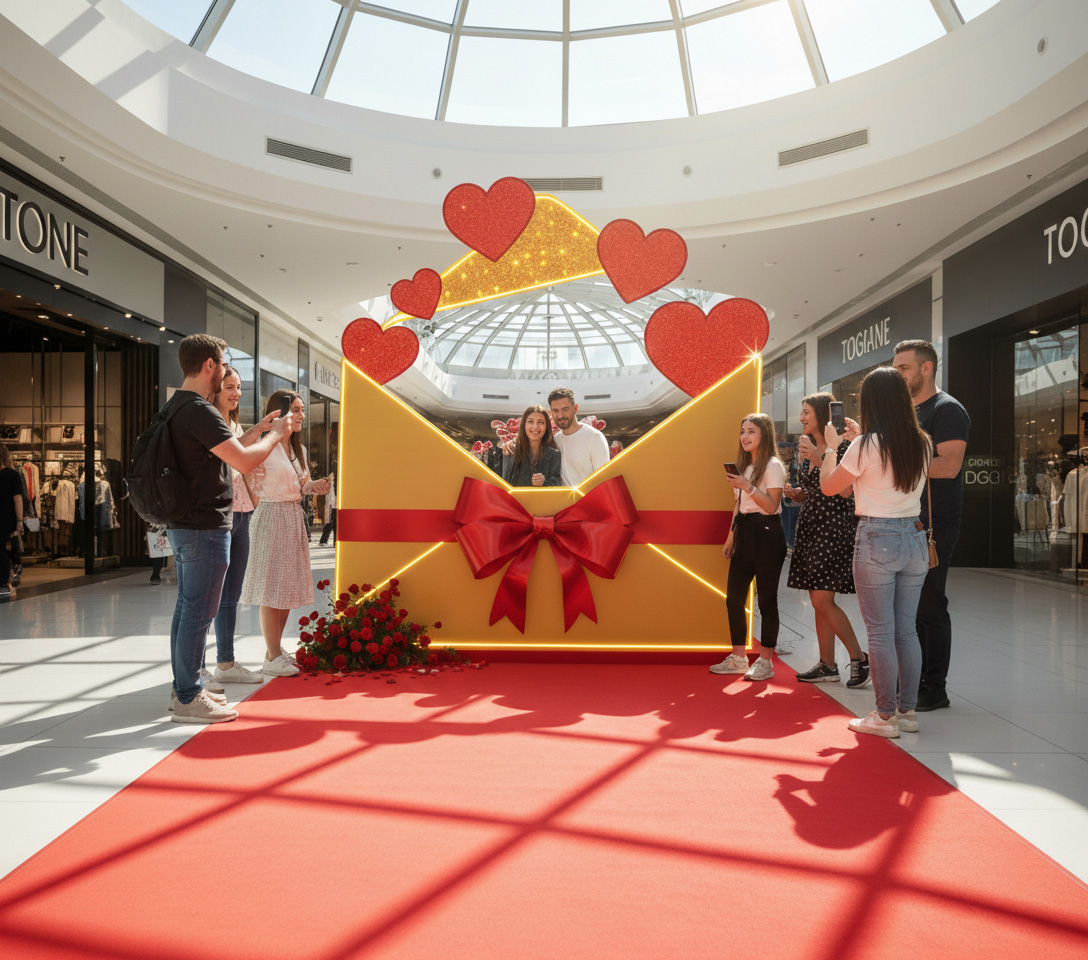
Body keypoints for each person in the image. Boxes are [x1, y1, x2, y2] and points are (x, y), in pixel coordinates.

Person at [163, 335, 292, 723]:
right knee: (199, 610)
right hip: (204, 524)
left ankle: (184, 688)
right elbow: (244, 462)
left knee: (188, 607)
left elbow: (227, 451)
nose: (225, 371)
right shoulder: (200, 411)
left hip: (185, 522)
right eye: (223, 363)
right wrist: (275, 435)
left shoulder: (177, 406)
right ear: (209, 366)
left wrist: (257, 432)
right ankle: (188, 697)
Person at [820, 367, 932, 738]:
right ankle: (907, 711)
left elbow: (830, 487)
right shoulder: (922, 442)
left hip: (877, 537)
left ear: (871, 402)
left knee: (880, 633)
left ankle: (884, 717)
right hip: (914, 537)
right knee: (906, 631)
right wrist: (857, 442)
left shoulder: (865, 445)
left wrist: (832, 448)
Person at [893, 339, 969, 712]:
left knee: (930, 605)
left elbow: (949, 466)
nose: (897, 374)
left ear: (926, 368)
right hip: (904, 521)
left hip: (934, 525)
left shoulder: (947, 409)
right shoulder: (907, 411)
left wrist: (895, 462)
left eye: (903, 368)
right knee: (908, 608)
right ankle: (914, 678)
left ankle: (935, 687)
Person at [239, 390, 330, 677]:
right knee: (271, 589)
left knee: (286, 589)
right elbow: (246, 471)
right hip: (271, 515)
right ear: (280, 412)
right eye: (296, 410)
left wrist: (314, 485)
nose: (302, 415)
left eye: (302, 410)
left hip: (292, 516)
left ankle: (274, 651)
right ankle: (273, 655)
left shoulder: (298, 448)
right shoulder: (266, 445)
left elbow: (301, 484)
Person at [784, 394, 869, 687]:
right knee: (819, 600)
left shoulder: (843, 446)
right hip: (812, 528)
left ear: (821, 414)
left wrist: (819, 458)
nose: (801, 418)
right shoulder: (807, 445)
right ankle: (827, 664)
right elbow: (815, 488)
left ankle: (859, 658)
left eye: (806, 412)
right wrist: (798, 494)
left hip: (834, 529)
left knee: (822, 599)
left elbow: (845, 491)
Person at [709, 413, 788, 682]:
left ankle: (765, 662)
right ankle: (739, 658)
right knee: (734, 599)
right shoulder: (744, 466)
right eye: (743, 431)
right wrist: (730, 538)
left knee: (766, 600)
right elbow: (738, 505)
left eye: (751, 431)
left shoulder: (772, 465)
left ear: (764, 434)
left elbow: (772, 506)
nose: (745, 436)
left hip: (767, 534)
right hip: (744, 532)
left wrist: (748, 486)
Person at [209, 366, 265, 685]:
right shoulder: (210, 423)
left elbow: (245, 469)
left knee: (231, 594)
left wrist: (254, 503)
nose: (236, 393)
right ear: (216, 388)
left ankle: (226, 662)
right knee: (209, 596)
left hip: (242, 515)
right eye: (230, 387)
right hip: (219, 516)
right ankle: (201, 668)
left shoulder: (233, 423)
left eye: (239, 387)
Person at [548, 388, 610, 487]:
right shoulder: (555, 441)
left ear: (575, 408)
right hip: (564, 497)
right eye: (555, 411)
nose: (560, 415)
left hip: (590, 497)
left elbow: (604, 479)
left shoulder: (594, 437)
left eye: (565, 409)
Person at [502, 406, 562, 487]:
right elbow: (504, 484)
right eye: (530, 421)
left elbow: (558, 484)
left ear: (546, 426)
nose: (535, 426)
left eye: (541, 422)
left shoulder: (554, 455)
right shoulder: (511, 450)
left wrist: (543, 483)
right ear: (524, 425)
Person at [0, 443, 23, 604]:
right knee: (2, 549)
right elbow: (17, 498)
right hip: (6, 517)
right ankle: (2, 584)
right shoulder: (12, 475)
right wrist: (20, 520)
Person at [779, 441, 801, 551]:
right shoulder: (781, 464)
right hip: (786, 496)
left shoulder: (798, 462)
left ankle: (791, 546)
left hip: (797, 496)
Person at [319, 463, 337, 545]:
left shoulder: (333, 478)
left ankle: (325, 540)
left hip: (333, 504)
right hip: (334, 504)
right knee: (333, 523)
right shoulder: (333, 479)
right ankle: (333, 541)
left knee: (331, 523)